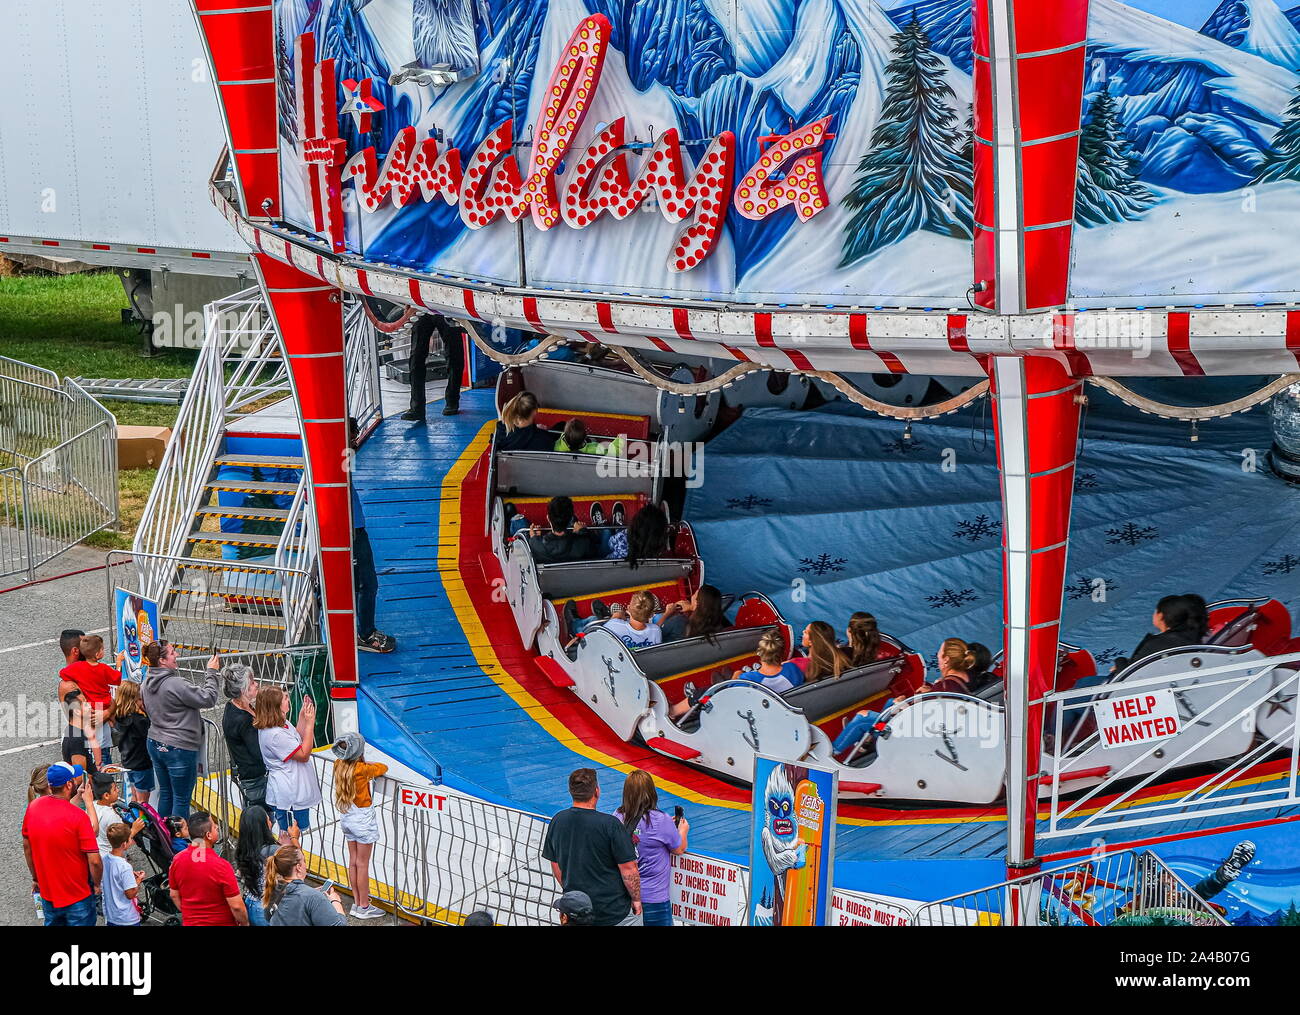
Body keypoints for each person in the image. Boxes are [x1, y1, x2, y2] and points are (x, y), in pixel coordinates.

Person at [832, 637, 977, 759]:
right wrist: (929, 692)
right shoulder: (959, 681)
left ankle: (834, 752)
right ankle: (870, 740)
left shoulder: (945, 686)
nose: (937, 657)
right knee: (891, 703)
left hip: (918, 734)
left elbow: (926, 718)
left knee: (863, 716)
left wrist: (904, 706)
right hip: (936, 730)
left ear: (946, 659)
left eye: (939, 654)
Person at [541, 768, 641, 927]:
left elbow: (555, 864)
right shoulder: (610, 825)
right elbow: (629, 868)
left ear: (571, 791)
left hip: (577, 911)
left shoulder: (558, 821)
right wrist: (636, 899)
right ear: (596, 791)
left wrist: (572, 892)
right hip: (614, 911)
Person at [142, 643, 221, 818]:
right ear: (162, 660)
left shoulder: (146, 681)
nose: (176, 654)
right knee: (181, 799)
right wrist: (212, 673)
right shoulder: (176, 684)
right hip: (179, 748)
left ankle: (164, 839)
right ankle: (179, 842)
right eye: (172, 653)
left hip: (155, 743)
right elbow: (208, 698)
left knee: (166, 793)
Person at [22, 763, 102, 927]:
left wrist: (36, 878)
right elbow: (94, 861)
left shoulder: (33, 808)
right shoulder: (79, 817)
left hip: (48, 892)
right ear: (68, 784)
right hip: (78, 895)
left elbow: (27, 848)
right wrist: (96, 883)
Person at [614, 770, 688, 927]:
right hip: (655, 899)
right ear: (651, 793)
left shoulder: (618, 816)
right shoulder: (661, 820)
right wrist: (682, 830)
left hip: (623, 895)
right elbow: (678, 848)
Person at [331, 732, 388, 920]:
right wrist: (368, 763)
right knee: (362, 864)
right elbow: (383, 767)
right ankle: (364, 906)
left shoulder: (338, 765)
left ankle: (357, 902)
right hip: (362, 820)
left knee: (353, 861)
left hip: (347, 817)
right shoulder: (362, 769)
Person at [253, 686, 321, 833]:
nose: (288, 699)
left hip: (293, 790)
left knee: (294, 835)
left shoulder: (280, 724)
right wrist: (310, 724)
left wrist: (303, 716)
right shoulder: (275, 734)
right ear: (276, 705)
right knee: (290, 837)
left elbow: (297, 738)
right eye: (285, 698)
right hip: (290, 795)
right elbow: (303, 755)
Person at [169, 810, 248, 926]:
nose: (217, 827)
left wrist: (190, 914)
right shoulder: (222, 866)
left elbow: (174, 895)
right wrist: (245, 923)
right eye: (215, 826)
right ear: (208, 835)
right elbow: (236, 906)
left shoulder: (177, 860)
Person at [60, 634, 125, 766]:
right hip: (104, 705)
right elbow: (117, 679)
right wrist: (118, 663)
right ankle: (114, 725)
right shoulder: (103, 668)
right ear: (97, 654)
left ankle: (112, 725)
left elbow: (62, 673)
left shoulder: (76, 669)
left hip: (91, 710)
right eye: (102, 649)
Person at [352, 481, 397, 653]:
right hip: (350, 527)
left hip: (350, 524)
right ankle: (366, 635)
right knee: (366, 583)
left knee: (362, 583)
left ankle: (364, 632)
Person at [1111, 594, 1208, 673]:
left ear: (1161, 615)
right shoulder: (1194, 636)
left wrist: (1120, 662)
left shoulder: (1159, 644)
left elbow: (1127, 675)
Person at [401, 312, 465, 421]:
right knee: (416, 355)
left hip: (444, 305)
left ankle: (452, 401)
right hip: (421, 306)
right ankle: (417, 408)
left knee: (454, 353)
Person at [221, 663, 267, 810]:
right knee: (261, 818)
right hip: (254, 776)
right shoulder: (242, 719)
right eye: (252, 683)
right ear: (243, 690)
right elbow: (259, 751)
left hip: (252, 774)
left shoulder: (234, 706)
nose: (257, 684)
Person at [263, 845, 348, 926]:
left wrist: (309, 892)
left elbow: (268, 916)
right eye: (304, 861)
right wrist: (336, 901)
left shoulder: (273, 887)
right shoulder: (313, 897)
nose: (305, 865)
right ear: (298, 867)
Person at [106, 680, 153, 806]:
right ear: (133, 700)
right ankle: (142, 823)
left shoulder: (119, 717)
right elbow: (149, 733)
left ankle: (132, 821)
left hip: (128, 761)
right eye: (139, 699)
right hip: (142, 763)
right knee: (143, 801)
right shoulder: (140, 720)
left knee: (134, 796)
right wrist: (147, 712)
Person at [234, 805, 281, 926]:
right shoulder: (273, 851)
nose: (271, 822)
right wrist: (293, 839)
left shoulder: (244, 849)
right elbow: (298, 868)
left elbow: (238, 877)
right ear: (263, 825)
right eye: (268, 820)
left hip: (251, 902)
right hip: (267, 908)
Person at [526, 495, 601, 564]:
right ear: (570, 519)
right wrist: (583, 531)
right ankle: (601, 526)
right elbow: (594, 552)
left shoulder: (535, 544)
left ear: (548, 518)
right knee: (606, 532)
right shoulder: (584, 542)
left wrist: (534, 538)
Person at [101, 822, 145, 927]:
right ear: (124, 844)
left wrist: (130, 876)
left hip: (111, 915)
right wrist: (138, 880)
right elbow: (130, 894)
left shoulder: (105, 859)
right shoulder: (125, 867)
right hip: (126, 917)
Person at [91, 773, 143, 854]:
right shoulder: (111, 816)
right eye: (115, 789)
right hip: (110, 855)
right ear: (106, 795)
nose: (118, 790)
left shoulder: (92, 805)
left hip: (98, 852)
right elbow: (123, 845)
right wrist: (134, 830)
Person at [658, 584, 729, 644]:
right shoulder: (718, 625)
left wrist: (667, 613)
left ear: (696, 602)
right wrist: (692, 608)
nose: (693, 595)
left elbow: (654, 633)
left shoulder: (679, 621)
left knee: (657, 616)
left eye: (695, 594)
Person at [600, 591, 665, 649]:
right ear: (651, 614)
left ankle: (616, 614)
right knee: (659, 616)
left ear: (628, 608)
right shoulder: (656, 630)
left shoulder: (613, 625)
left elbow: (602, 634)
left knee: (593, 619)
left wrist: (617, 616)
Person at [60, 685, 101, 774]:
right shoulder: (76, 740)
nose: (90, 706)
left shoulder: (79, 731)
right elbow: (80, 777)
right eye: (86, 704)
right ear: (77, 711)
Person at [554, 417, 624, 457]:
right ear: (585, 436)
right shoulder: (595, 449)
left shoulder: (557, 446)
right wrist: (620, 439)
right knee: (594, 440)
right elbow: (615, 453)